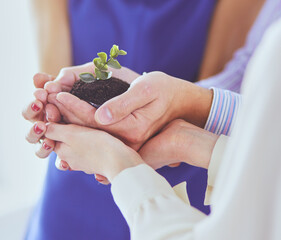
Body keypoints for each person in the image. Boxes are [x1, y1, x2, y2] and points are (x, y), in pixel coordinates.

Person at [23, 0, 280, 239]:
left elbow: (253, 83)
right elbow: (55, 80)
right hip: (80, 160)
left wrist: (177, 107)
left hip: (181, 169)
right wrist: (54, 108)